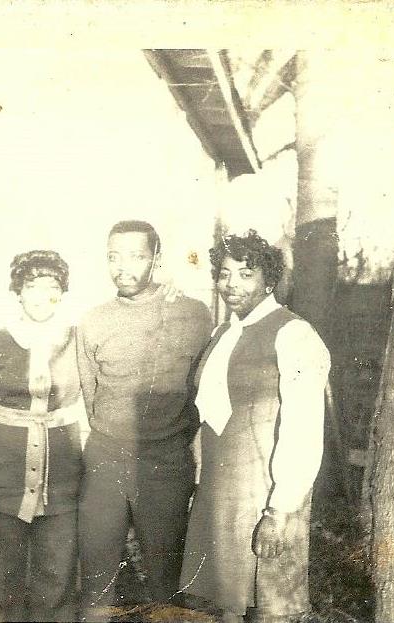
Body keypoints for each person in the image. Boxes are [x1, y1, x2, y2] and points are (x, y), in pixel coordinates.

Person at [178, 230, 330, 623]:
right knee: (226, 604)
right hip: (219, 493)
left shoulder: (293, 333)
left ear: (268, 279)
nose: (232, 285)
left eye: (246, 274)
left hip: (264, 491)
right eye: (225, 274)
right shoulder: (222, 333)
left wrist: (279, 511)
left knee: (266, 605)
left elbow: (303, 429)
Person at [76, 220, 213, 621]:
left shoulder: (192, 314)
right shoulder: (93, 320)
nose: (123, 267)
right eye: (114, 256)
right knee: (97, 577)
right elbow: (90, 395)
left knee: (166, 581)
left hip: (167, 459)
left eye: (136, 256)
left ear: (156, 259)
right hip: (106, 456)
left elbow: (203, 388)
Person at [0, 250, 87, 622]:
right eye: (32, 286)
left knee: (58, 588)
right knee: (1, 592)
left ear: (62, 293)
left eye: (52, 287)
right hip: (1, 488)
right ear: (18, 291)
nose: (42, 296)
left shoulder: (77, 341)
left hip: (62, 489)